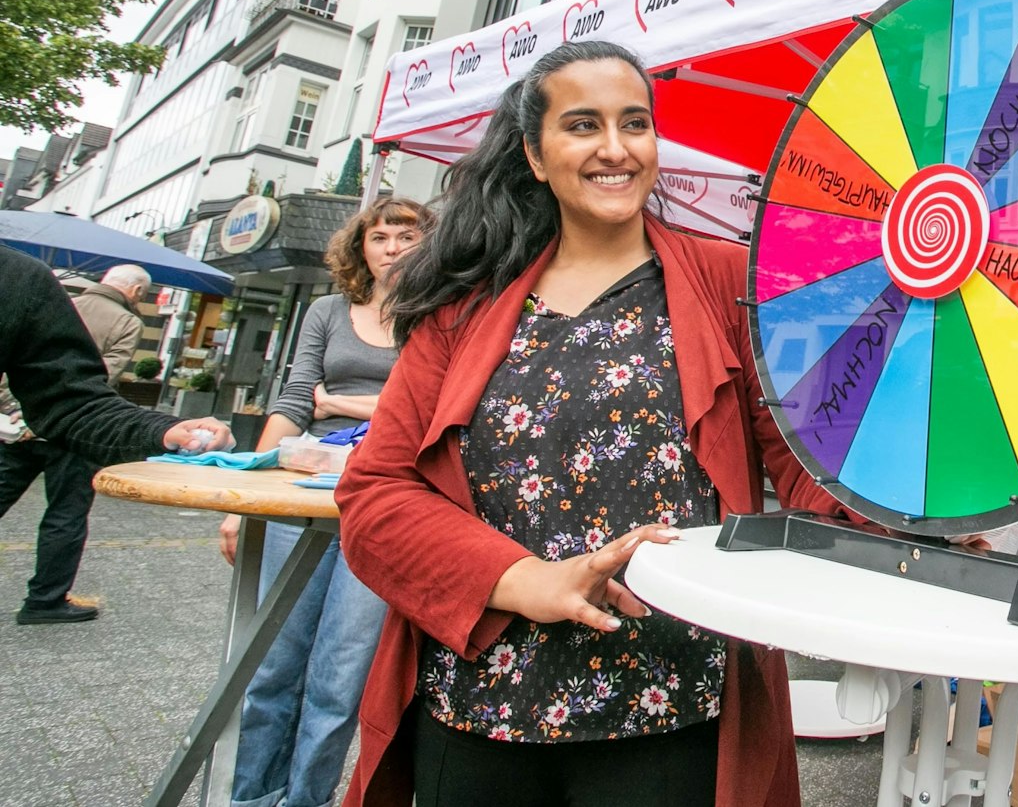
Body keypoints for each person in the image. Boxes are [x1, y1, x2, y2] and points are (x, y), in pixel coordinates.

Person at [338, 40, 844, 807]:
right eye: (583, 125)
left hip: (672, 707)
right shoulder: (462, 307)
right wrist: (526, 581)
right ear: (535, 155)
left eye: (635, 123)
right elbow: (376, 493)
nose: (616, 147)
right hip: (480, 708)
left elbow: (816, 463)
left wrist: (926, 508)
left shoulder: (728, 282)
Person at [219, 197, 431, 807]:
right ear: (361, 247)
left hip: (384, 498)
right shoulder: (327, 311)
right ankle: (252, 798)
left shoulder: (435, 316)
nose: (393, 247)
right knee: (269, 666)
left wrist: (336, 402)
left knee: (340, 679)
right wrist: (243, 501)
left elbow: (423, 411)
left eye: (407, 235)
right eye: (380, 237)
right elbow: (293, 402)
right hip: (305, 486)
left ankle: (305, 799)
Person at [0, 263, 153, 623]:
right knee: (66, 513)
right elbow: (101, 378)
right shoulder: (127, 322)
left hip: (21, 423)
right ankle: (45, 600)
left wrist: (18, 409)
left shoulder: (57, 302)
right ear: (136, 292)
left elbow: (15, 362)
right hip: (75, 430)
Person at [0, 248, 226, 466]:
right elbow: (96, 380)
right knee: (68, 488)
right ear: (137, 291)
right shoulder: (127, 321)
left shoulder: (38, 286)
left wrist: (161, 429)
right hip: (56, 428)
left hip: (24, 419)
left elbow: (70, 400)